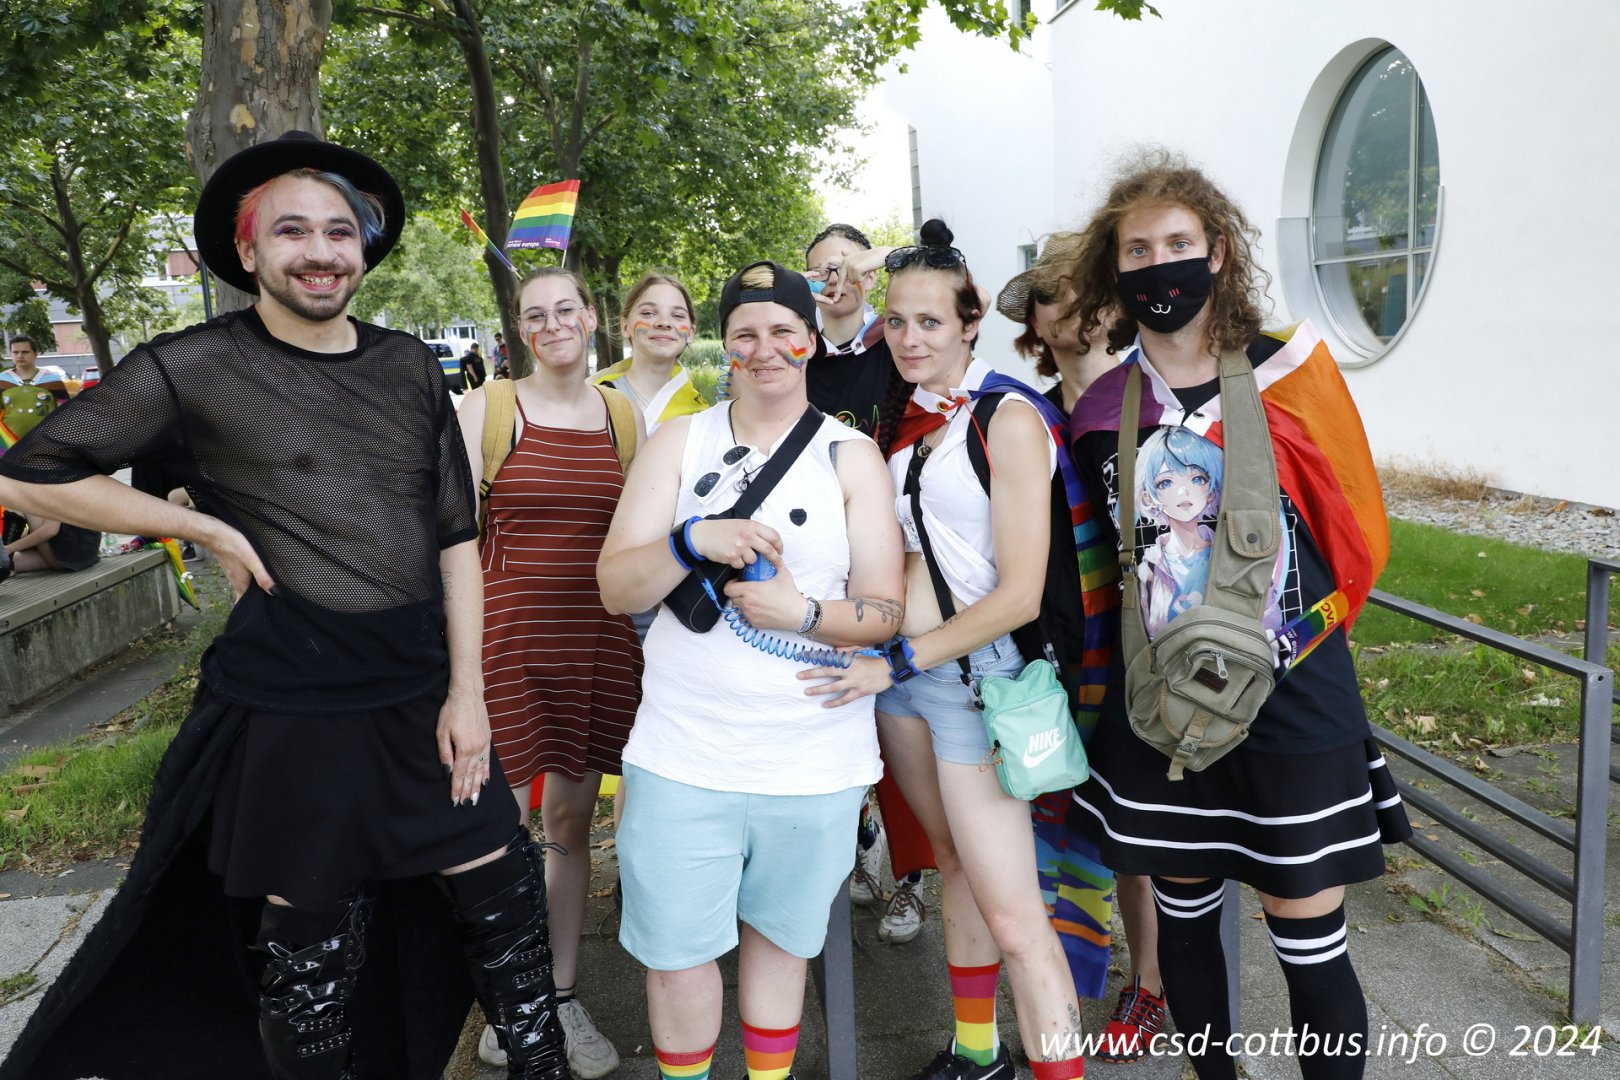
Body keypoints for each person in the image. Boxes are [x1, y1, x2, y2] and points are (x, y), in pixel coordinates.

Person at [0, 130, 572, 1080]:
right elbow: (29, 474)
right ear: (250, 249)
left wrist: (468, 693)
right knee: (311, 955)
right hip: (292, 706)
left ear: (363, 250)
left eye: (340, 232)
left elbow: (454, 537)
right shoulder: (193, 365)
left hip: (421, 693)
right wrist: (205, 528)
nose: (321, 251)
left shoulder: (408, 365)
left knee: (506, 906)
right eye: (293, 231)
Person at [1060, 151, 1408, 1080]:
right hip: (1163, 702)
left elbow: (1356, 531)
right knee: (1185, 920)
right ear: (1114, 269)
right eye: (1137, 250)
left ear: (1216, 252)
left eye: (1178, 243)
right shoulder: (1101, 410)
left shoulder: (1293, 372)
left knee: (1308, 929)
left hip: (1294, 692)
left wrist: (1295, 637)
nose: (1159, 265)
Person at [598, 260, 903, 1080]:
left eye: (782, 332)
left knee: (779, 946)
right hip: (682, 753)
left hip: (812, 758)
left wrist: (802, 613)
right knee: (676, 958)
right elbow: (616, 586)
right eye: (745, 334)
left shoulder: (852, 456)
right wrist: (689, 540)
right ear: (725, 345)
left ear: (810, 341)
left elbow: (884, 611)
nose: (764, 349)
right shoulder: (678, 443)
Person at [802, 222, 1088, 1080]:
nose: (909, 337)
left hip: (969, 681)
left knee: (1017, 918)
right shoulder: (905, 419)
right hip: (903, 685)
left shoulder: (1009, 418)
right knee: (954, 861)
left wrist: (898, 660)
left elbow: (1019, 595)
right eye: (896, 321)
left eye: (930, 321)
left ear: (971, 322)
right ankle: (976, 1050)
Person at [457, 266, 645, 1077]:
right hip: (502, 644)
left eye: (567, 308)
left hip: (594, 642)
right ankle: (511, 1003)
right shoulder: (488, 408)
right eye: (536, 314)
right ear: (520, 328)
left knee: (569, 823)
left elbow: (640, 530)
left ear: (593, 317)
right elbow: (445, 536)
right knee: (496, 832)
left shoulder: (622, 414)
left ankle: (561, 997)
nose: (553, 323)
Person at [803, 223, 938, 945]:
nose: (836, 279)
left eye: (847, 266)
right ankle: (857, 850)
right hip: (819, 559)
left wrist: (875, 258)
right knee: (833, 709)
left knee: (900, 718)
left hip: (896, 548)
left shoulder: (897, 345)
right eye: (821, 268)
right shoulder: (794, 350)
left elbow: (957, 288)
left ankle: (910, 879)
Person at [588, 271, 707, 437]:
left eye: (678, 315)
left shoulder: (700, 412)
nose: (664, 322)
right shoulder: (597, 400)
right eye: (648, 313)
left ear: (690, 333)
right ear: (625, 326)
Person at [2, 335, 67, 439]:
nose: (20, 356)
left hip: (45, 441)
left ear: (35, 353)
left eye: (25, 352)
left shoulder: (52, 379)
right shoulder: (2, 380)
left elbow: (65, 411)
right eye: (15, 352)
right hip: (9, 442)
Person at [3, 512, 101, 573]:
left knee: (24, 502)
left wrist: (9, 548)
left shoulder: (51, 486)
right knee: (12, 562)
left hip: (69, 550)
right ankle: (5, 558)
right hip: (85, 554)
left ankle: (4, 552)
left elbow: (50, 530)